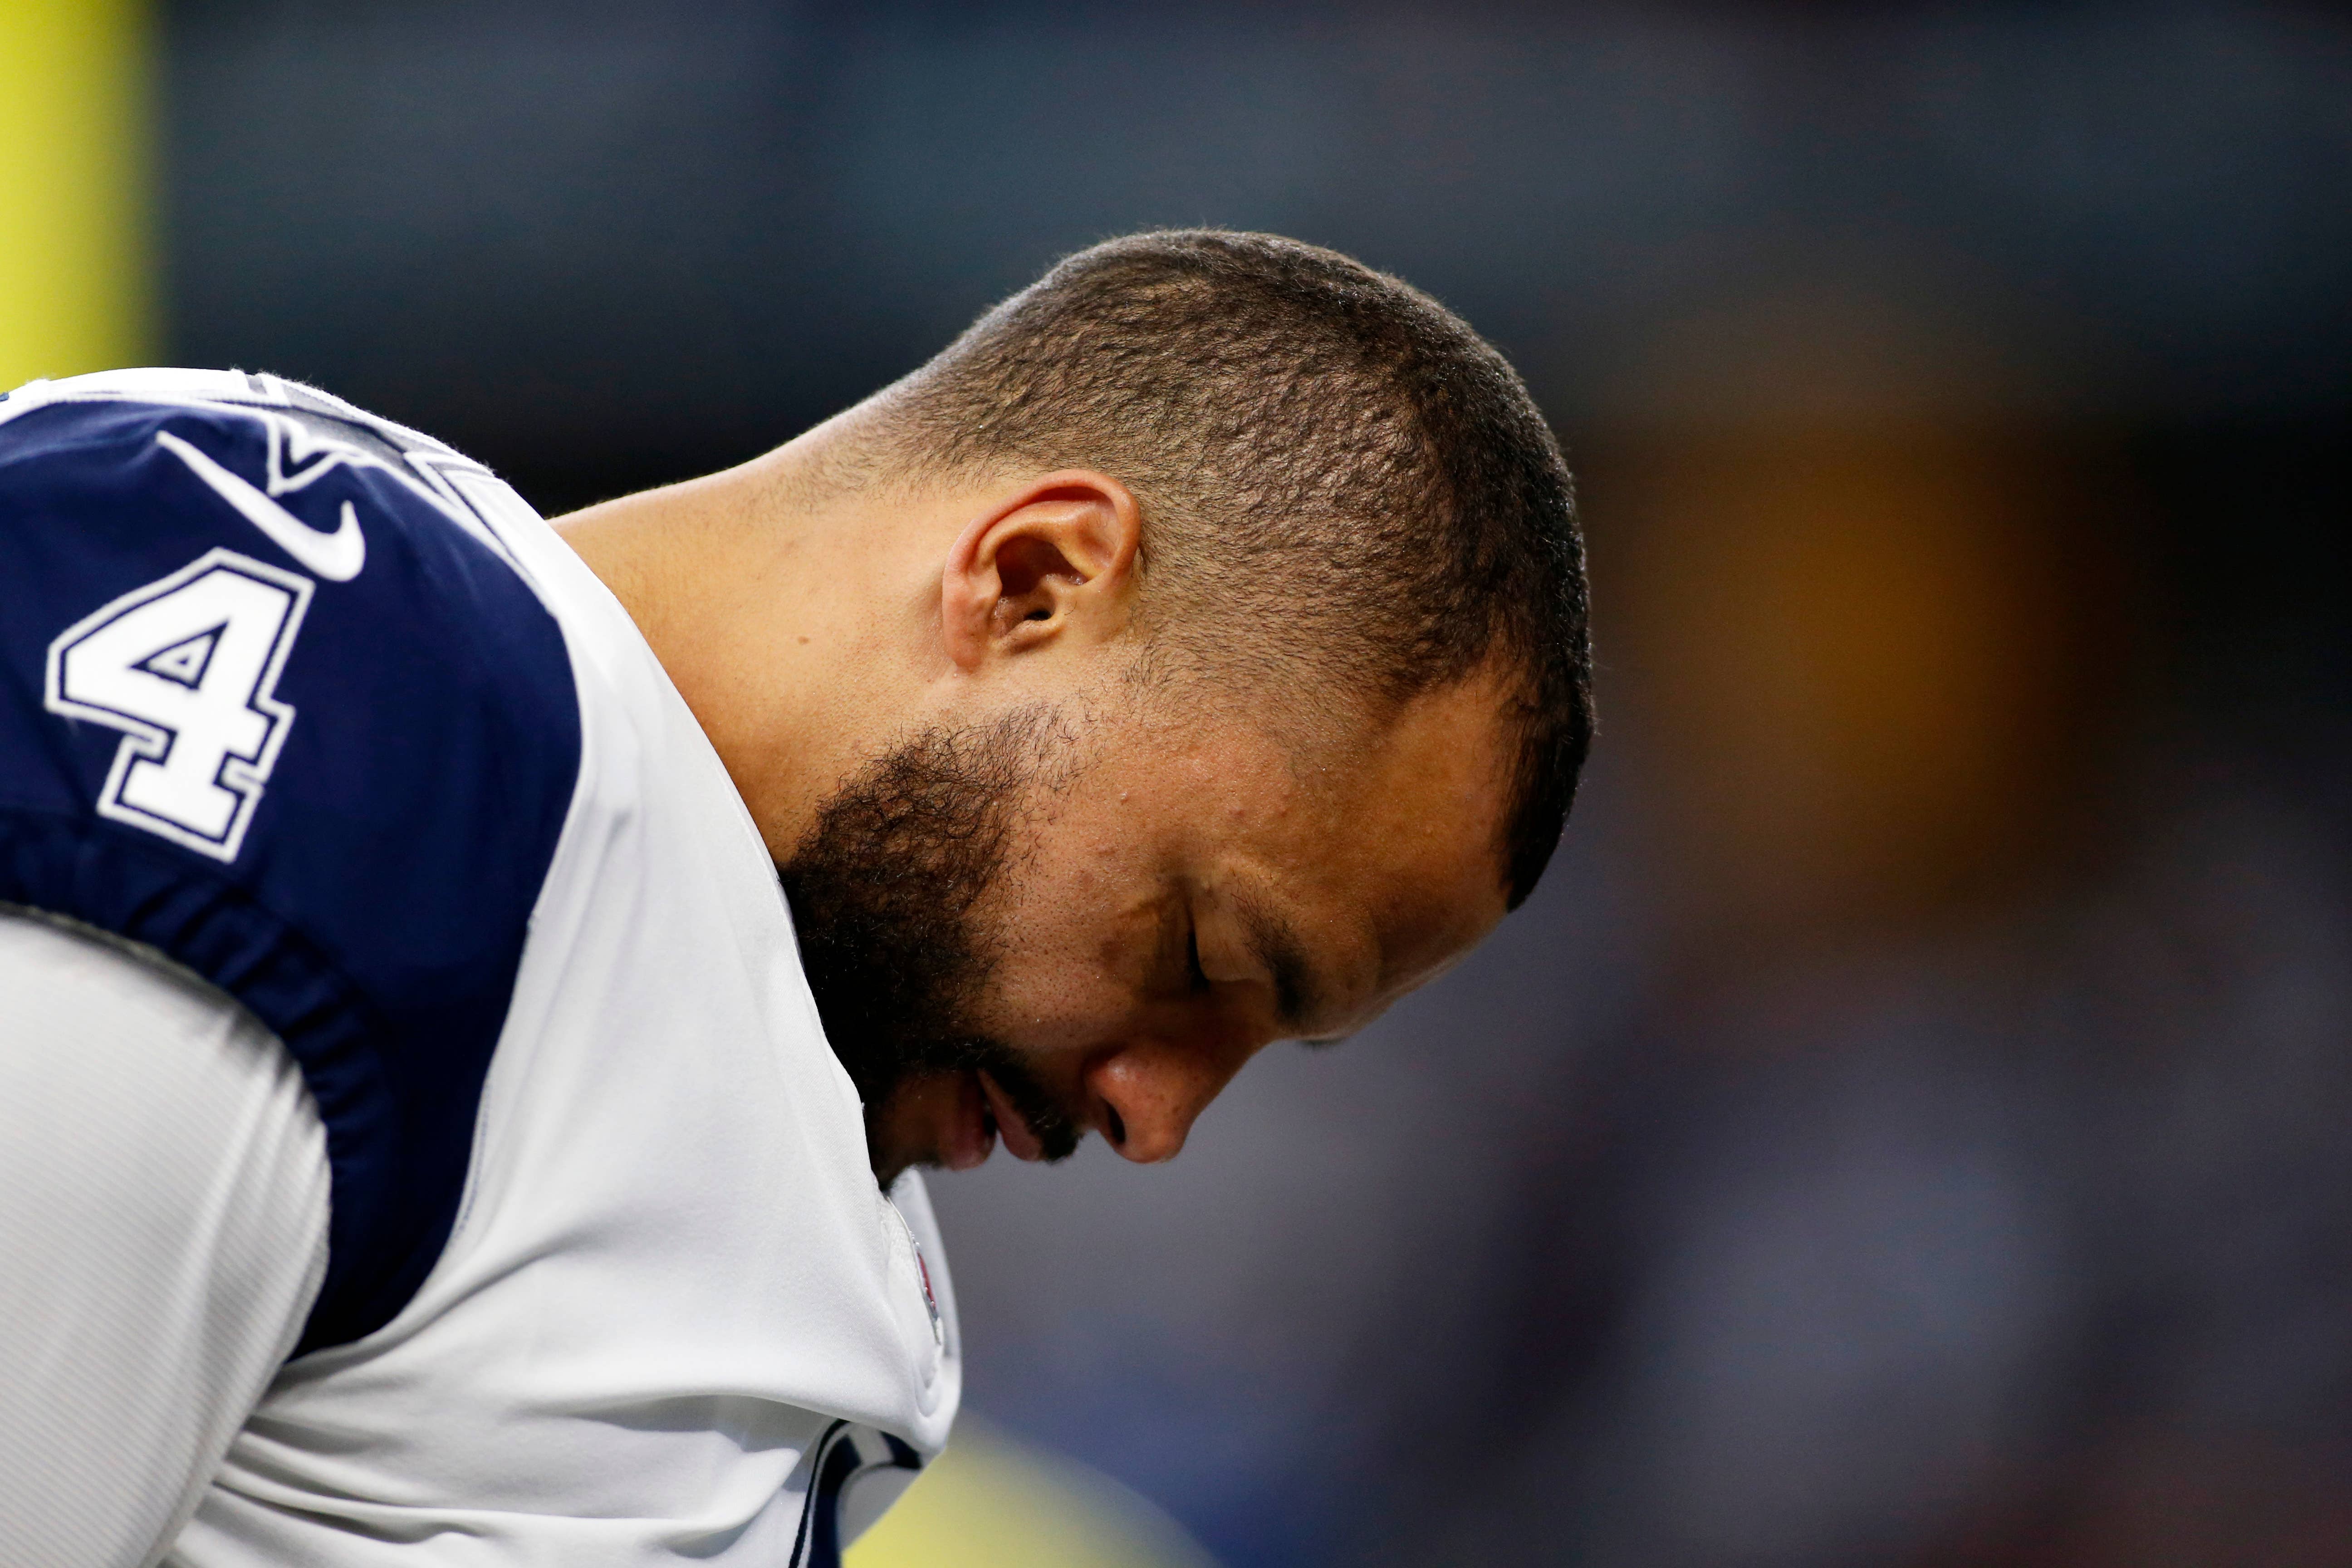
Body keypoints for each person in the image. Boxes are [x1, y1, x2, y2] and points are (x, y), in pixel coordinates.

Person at [0, 230, 1592, 1566]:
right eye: (1201, 954)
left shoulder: (678, 955)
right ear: (1029, 580)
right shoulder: (329, 743)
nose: (1157, 1117)